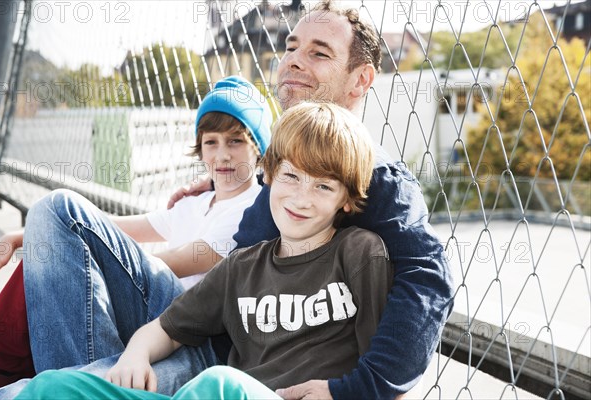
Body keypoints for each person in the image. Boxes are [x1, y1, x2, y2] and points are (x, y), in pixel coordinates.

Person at [167, 1, 454, 399]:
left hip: (241, 374)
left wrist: (359, 390)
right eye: (291, 47)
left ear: (360, 80)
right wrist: (224, 181)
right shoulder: (279, 171)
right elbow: (245, 254)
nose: (293, 62)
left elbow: (428, 281)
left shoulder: (376, 177)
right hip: (217, 339)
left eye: (319, 53)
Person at [16, 101, 394, 400]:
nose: (301, 198)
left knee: (220, 385)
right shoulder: (242, 266)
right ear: (270, 174)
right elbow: (164, 328)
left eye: (323, 187)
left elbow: (386, 370)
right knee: (50, 388)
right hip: (213, 390)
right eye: (291, 176)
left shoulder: (359, 253)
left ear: (346, 199)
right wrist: (135, 355)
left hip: (247, 393)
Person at [0, 76, 272, 392]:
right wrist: (23, 234)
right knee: (53, 209)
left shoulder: (255, 207)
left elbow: (172, 261)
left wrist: (91, 256)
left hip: (191, 328)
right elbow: (109, 226)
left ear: (258, 148)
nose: (222, 155)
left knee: (62, 206)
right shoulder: (194, 203)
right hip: (152, 326)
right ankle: (78, 383)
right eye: (211, 142)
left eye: (235, 141)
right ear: (200, 148)